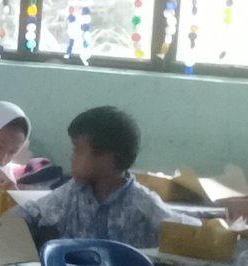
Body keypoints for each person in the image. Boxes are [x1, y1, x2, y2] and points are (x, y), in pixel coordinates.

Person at [19, 106, 172, 247]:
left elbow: (178, 233)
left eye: (78, 150)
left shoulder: (145, 208)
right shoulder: (73, 192)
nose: (72, 157)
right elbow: (30, 213)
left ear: (108, 158)